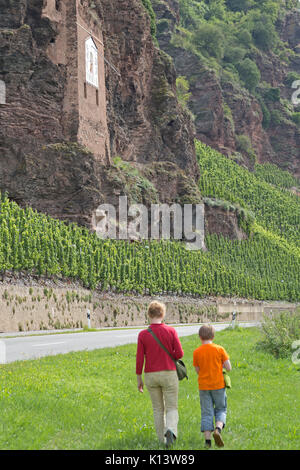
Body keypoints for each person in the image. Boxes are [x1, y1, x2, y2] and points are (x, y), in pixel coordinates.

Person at [136, 301, 184, 448]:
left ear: (149, 315)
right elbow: (180, 353)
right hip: (169, 373)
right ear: (162, 314)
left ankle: (161, 440)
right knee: (171, 407)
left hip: (151, 375)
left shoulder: (143, 334)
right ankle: (170, 430)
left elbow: (139, 358)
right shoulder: (171, 331)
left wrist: (139, 378)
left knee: (158, 409)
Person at [193, 324, 231, 448]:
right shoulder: (220, 349)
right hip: (218, 385)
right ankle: (218, 429)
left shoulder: (197, 352)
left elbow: (197, 370)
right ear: (213, 336)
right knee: (220, 409)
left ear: (200, 337)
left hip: (204, 387)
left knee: (206, 413)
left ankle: (208, 442)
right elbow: (228, 367)